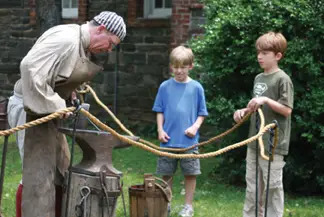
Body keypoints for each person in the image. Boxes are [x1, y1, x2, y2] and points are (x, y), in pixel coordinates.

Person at [7, 11, 126, 217]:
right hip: (29, 109)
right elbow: (30, 68)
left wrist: (68, 93)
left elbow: (55, 73)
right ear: (101, 29)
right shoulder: (66, 39)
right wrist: (55, 103)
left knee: (59, 172)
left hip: (50, 112)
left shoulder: (81, 45)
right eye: (110, 43)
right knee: (36, 175)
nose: (109, 49)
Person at [233, 32, 294, 217]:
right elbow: (257, 106)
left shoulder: (282, 79)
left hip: (273, 145)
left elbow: (287, 110)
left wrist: (265, 100)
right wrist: (243, 111)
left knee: (272, 188)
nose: (259, 56)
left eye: (265, 53)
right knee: (252, 187)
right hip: (254, 142)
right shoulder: (258, 78)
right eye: (258, 52)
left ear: (277, 56)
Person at [152, 45, 208, 217]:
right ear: (171, 66)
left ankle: (188, 207)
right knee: (166, 174)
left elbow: (202, 113)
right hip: (168, 141)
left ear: (190, 66)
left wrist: (195, 127)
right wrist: (160, 130)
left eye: (183, 67)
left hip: (189, 142)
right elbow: (159, 110)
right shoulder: (164, 87)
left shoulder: (197, 87)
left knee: (190, 174)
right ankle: (166, 204)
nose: (179, 71)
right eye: (175, 67)